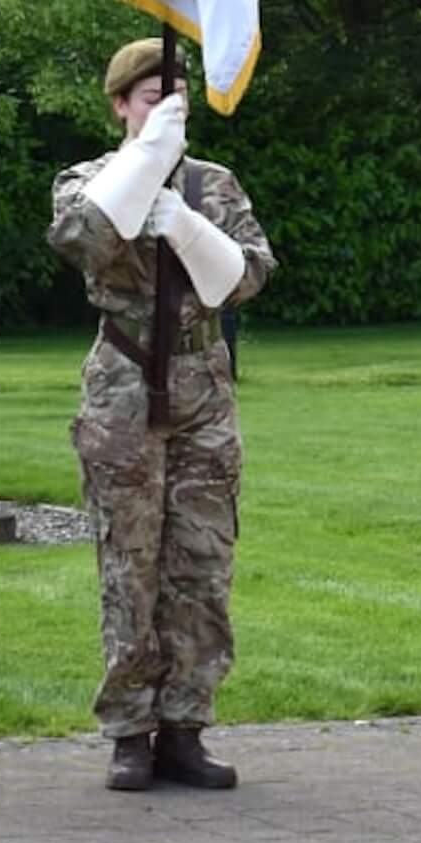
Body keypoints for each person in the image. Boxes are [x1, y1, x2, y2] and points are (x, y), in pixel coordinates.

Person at [48, 39, 274, 791]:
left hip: (202, 381)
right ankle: (129, 730)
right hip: (123, 383)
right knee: (129, 563)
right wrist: (146, 168)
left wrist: (182, 220)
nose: (168, 108)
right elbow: (83, 238)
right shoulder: (88, 180)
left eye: (178, 96)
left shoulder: (215, 186)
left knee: (202, 563)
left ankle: (185, 724)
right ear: (120, 104)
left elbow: (247, 276)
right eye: (153, 97)